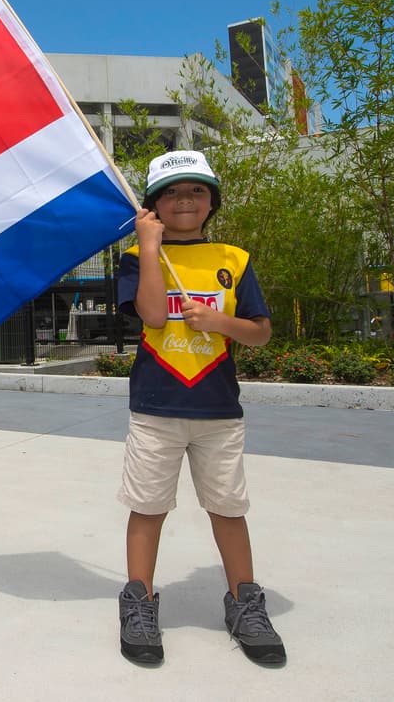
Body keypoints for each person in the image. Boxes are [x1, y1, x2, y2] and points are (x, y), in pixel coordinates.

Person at [114, 150, 286, 668]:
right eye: (170, 192)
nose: (184, 200)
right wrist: (149, 247)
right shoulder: (135, 256)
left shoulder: (234, 258)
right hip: (156, 408)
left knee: (228, 508)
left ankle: (245, 603)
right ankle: (139, 604)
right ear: (153, 205)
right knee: (148, 507)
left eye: (196, 191)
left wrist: (219, 323)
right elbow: (151, 315)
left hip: (218, 410)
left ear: (212, 201)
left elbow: (260, 332)